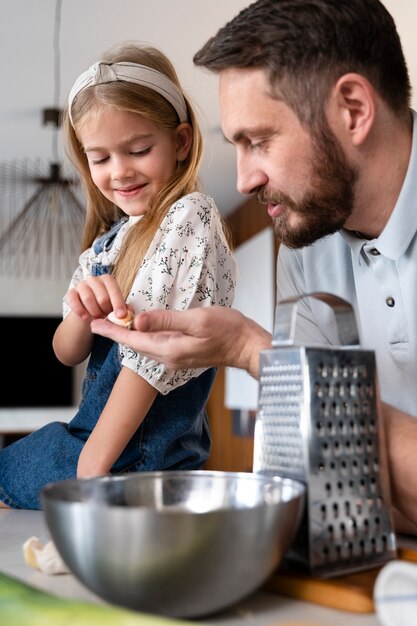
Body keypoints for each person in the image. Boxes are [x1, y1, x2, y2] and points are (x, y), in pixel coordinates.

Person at [91, 0, 417, 535]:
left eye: (259, 141)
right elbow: (331, 472)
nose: (242, 180)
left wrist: (250, 349)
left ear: (353, 110)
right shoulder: (306, 249)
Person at [0, 43, 236, 510]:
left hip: (133, 456)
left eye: (139, 149)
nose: (119, 171)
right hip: (96, 441)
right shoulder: (107, 244)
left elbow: (151, 362)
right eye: (100, 158)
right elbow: (65, 352)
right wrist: (83, 312)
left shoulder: (190, 216)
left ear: (182, 142)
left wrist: (92, 472)